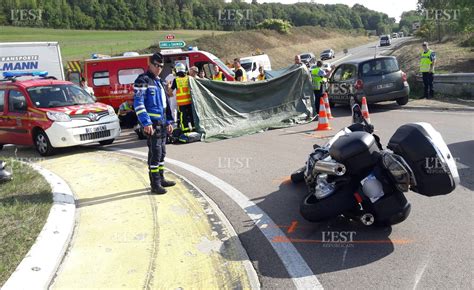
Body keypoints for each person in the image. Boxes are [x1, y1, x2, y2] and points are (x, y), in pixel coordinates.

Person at [134, 53, 175, 195]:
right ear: (150, 64)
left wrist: (169, 121)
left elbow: (166, 104)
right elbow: (138, 103)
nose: (159, 68)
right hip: (152, 124)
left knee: (162, 152)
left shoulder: (160, 82)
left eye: (161, 66)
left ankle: (161, 179)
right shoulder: (142, 80)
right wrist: (145, 122)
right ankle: (155, 184)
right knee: (155, 153)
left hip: (163, 122)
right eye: (156, 65)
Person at [169, 63, 195, 133]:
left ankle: (185, 129)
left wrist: (171, 95)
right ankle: (194, 128)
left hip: (181, 103)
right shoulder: (189, 78)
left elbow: (170, 91)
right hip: (189, 102)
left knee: (183, 116)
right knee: (191, 115)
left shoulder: (176, 80)